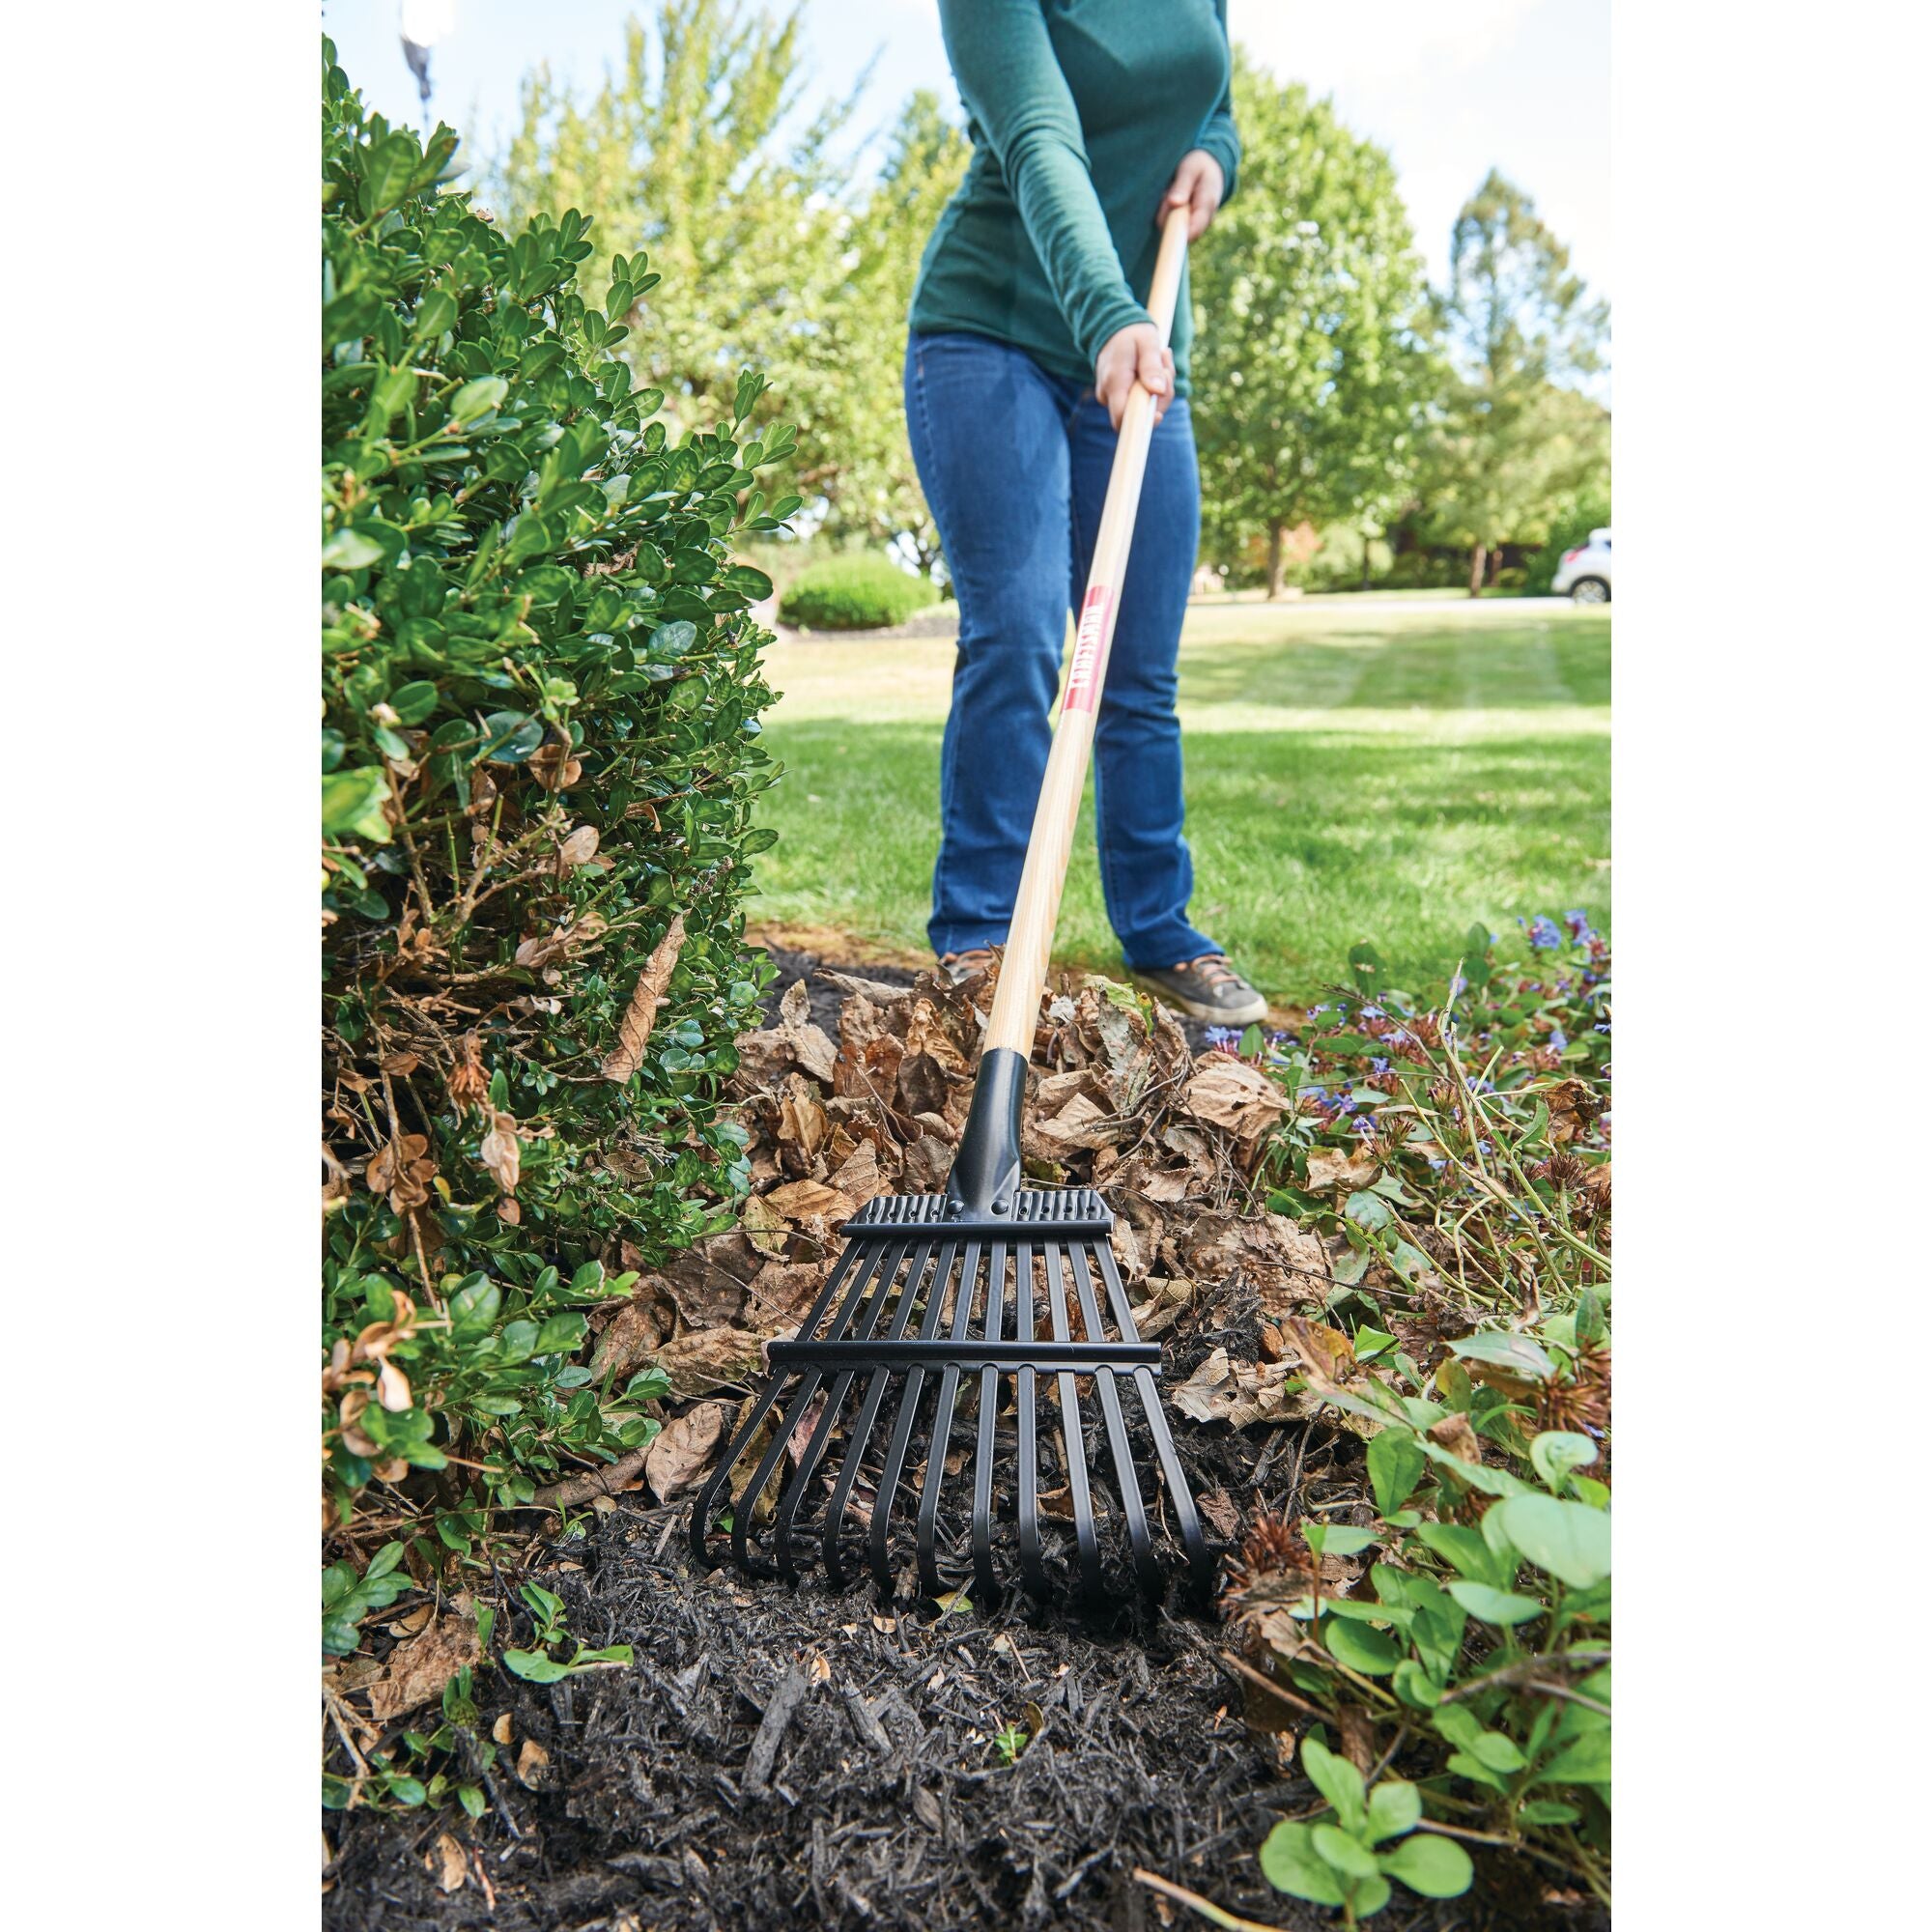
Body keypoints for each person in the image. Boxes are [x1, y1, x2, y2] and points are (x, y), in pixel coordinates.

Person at [904, 0, 1267, 1026]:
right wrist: (1107, 312)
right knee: (1019, 633)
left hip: (1143, 353)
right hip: (994, 334)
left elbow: (1210, 103)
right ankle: (979, 944)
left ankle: (1160, 933)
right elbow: (1039, 139)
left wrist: (1216, 157)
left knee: (1136, 670)